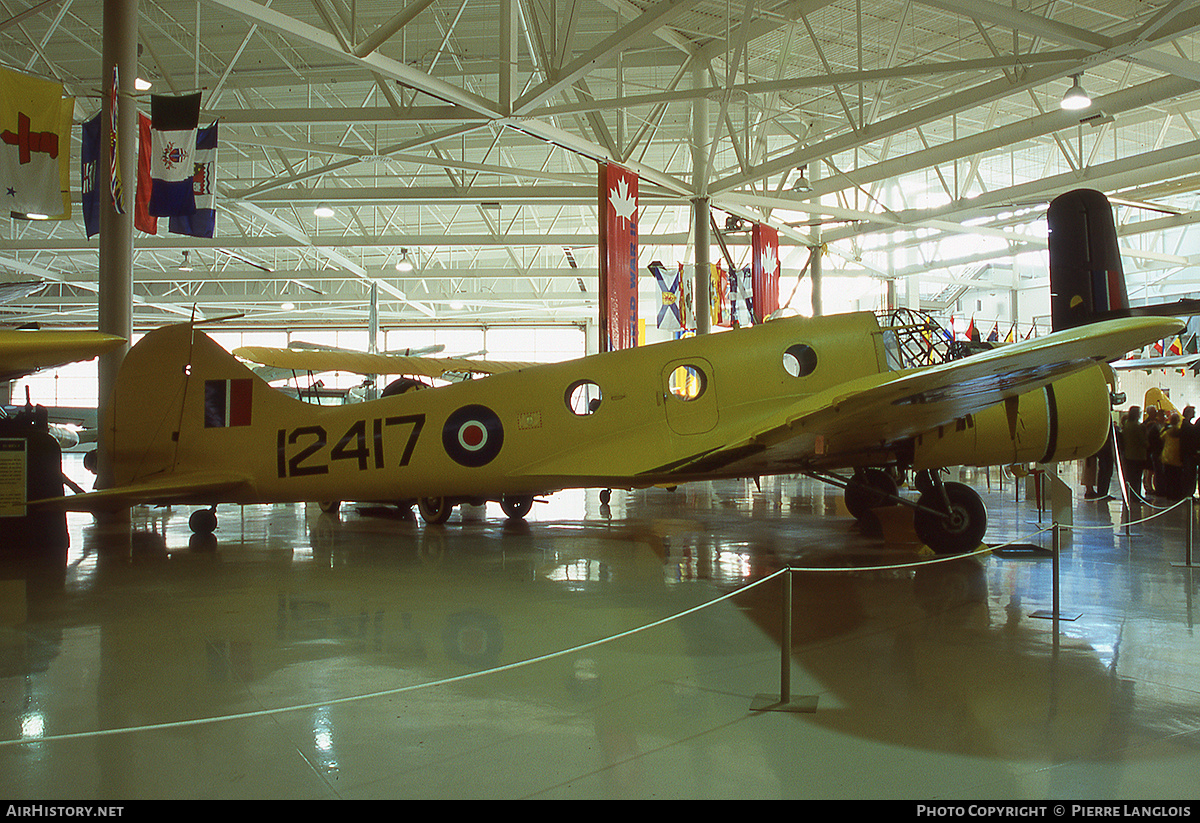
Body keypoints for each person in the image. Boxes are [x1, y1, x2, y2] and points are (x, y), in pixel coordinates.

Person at [1120, 406, 1148, 500]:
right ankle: (1136, 495)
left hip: (1128, 454)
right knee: (1137, 477)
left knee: (1130, 477)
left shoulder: (1127, 425)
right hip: (1137, 455)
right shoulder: (1137, 427)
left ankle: (1131, 495)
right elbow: (1142, 441)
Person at [1162, 412, 1185, 500]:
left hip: (1167, 456)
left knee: (1168, 478)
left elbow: (1161, 437)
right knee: (1177, 478)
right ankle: (1176, 495)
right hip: (1177, 457)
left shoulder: (1167, 431)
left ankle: (1169, 494)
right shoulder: (1180, 431)